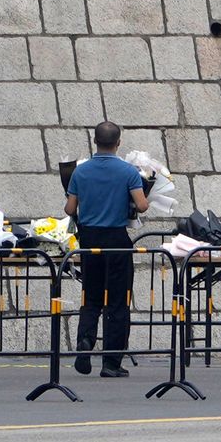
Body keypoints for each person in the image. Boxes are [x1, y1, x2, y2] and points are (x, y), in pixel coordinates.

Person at [64, 120, 156, 377]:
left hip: (89, 241)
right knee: (117, 300)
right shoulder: (127, 172)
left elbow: (70, 210)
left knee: (91, 296)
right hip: (116, 240)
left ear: (94, 141)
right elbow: (142, 205)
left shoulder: (80, 173)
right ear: (118, 143)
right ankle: (111, 362)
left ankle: (85, 341)